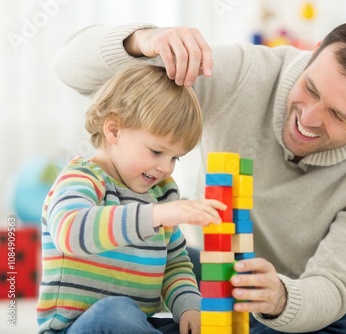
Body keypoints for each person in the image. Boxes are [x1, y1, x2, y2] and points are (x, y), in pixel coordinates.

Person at [53, 18, 346, 333]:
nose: (308, 118)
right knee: (143, 283)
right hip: (216, 266)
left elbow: (332, 284)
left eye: (338, 115)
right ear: (311, 56)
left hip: (292, 293)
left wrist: (280, 298)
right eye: (310, 88)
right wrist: (142, 42)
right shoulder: (242, 73)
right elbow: (70, 69)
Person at [37, 63, 227, 334]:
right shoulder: (82, 178)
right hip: (79, 327)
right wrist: (158, 216)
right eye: (156, 151)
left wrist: (190, 308)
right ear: (113, 130)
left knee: (206, 313)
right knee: (116, 311)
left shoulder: (161, 192)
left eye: (175, 157)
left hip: (139, 325)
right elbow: (69, 231)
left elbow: (174, 264)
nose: (166, 167)